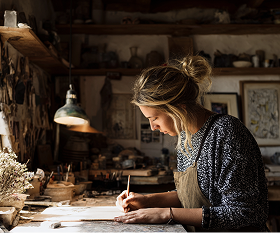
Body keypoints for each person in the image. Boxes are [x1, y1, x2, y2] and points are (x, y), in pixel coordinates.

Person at [114, 55, 269, 233]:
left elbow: (242, 212)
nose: (153, 127)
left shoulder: (226, 132)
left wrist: (167, 214)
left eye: (154, 118)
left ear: (178, 109)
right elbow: (189, 197)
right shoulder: (186, 138)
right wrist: (147, 200)